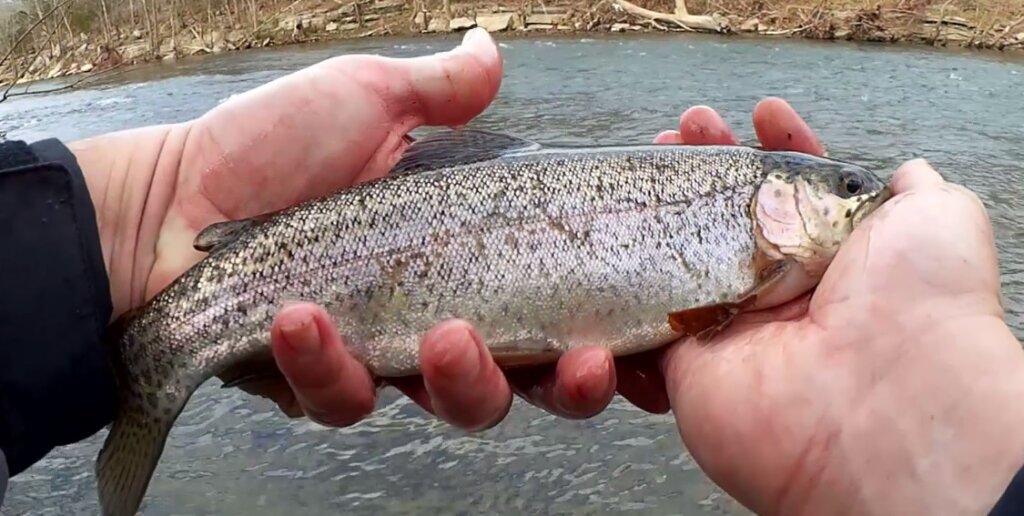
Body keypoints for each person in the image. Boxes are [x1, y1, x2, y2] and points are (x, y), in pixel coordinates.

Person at [1, 27, 1022, 515]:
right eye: (842, 189)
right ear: (778, 198)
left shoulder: (753, 268)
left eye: (852, 190)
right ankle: (154, 356)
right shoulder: (752, 245)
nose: (863, 203)